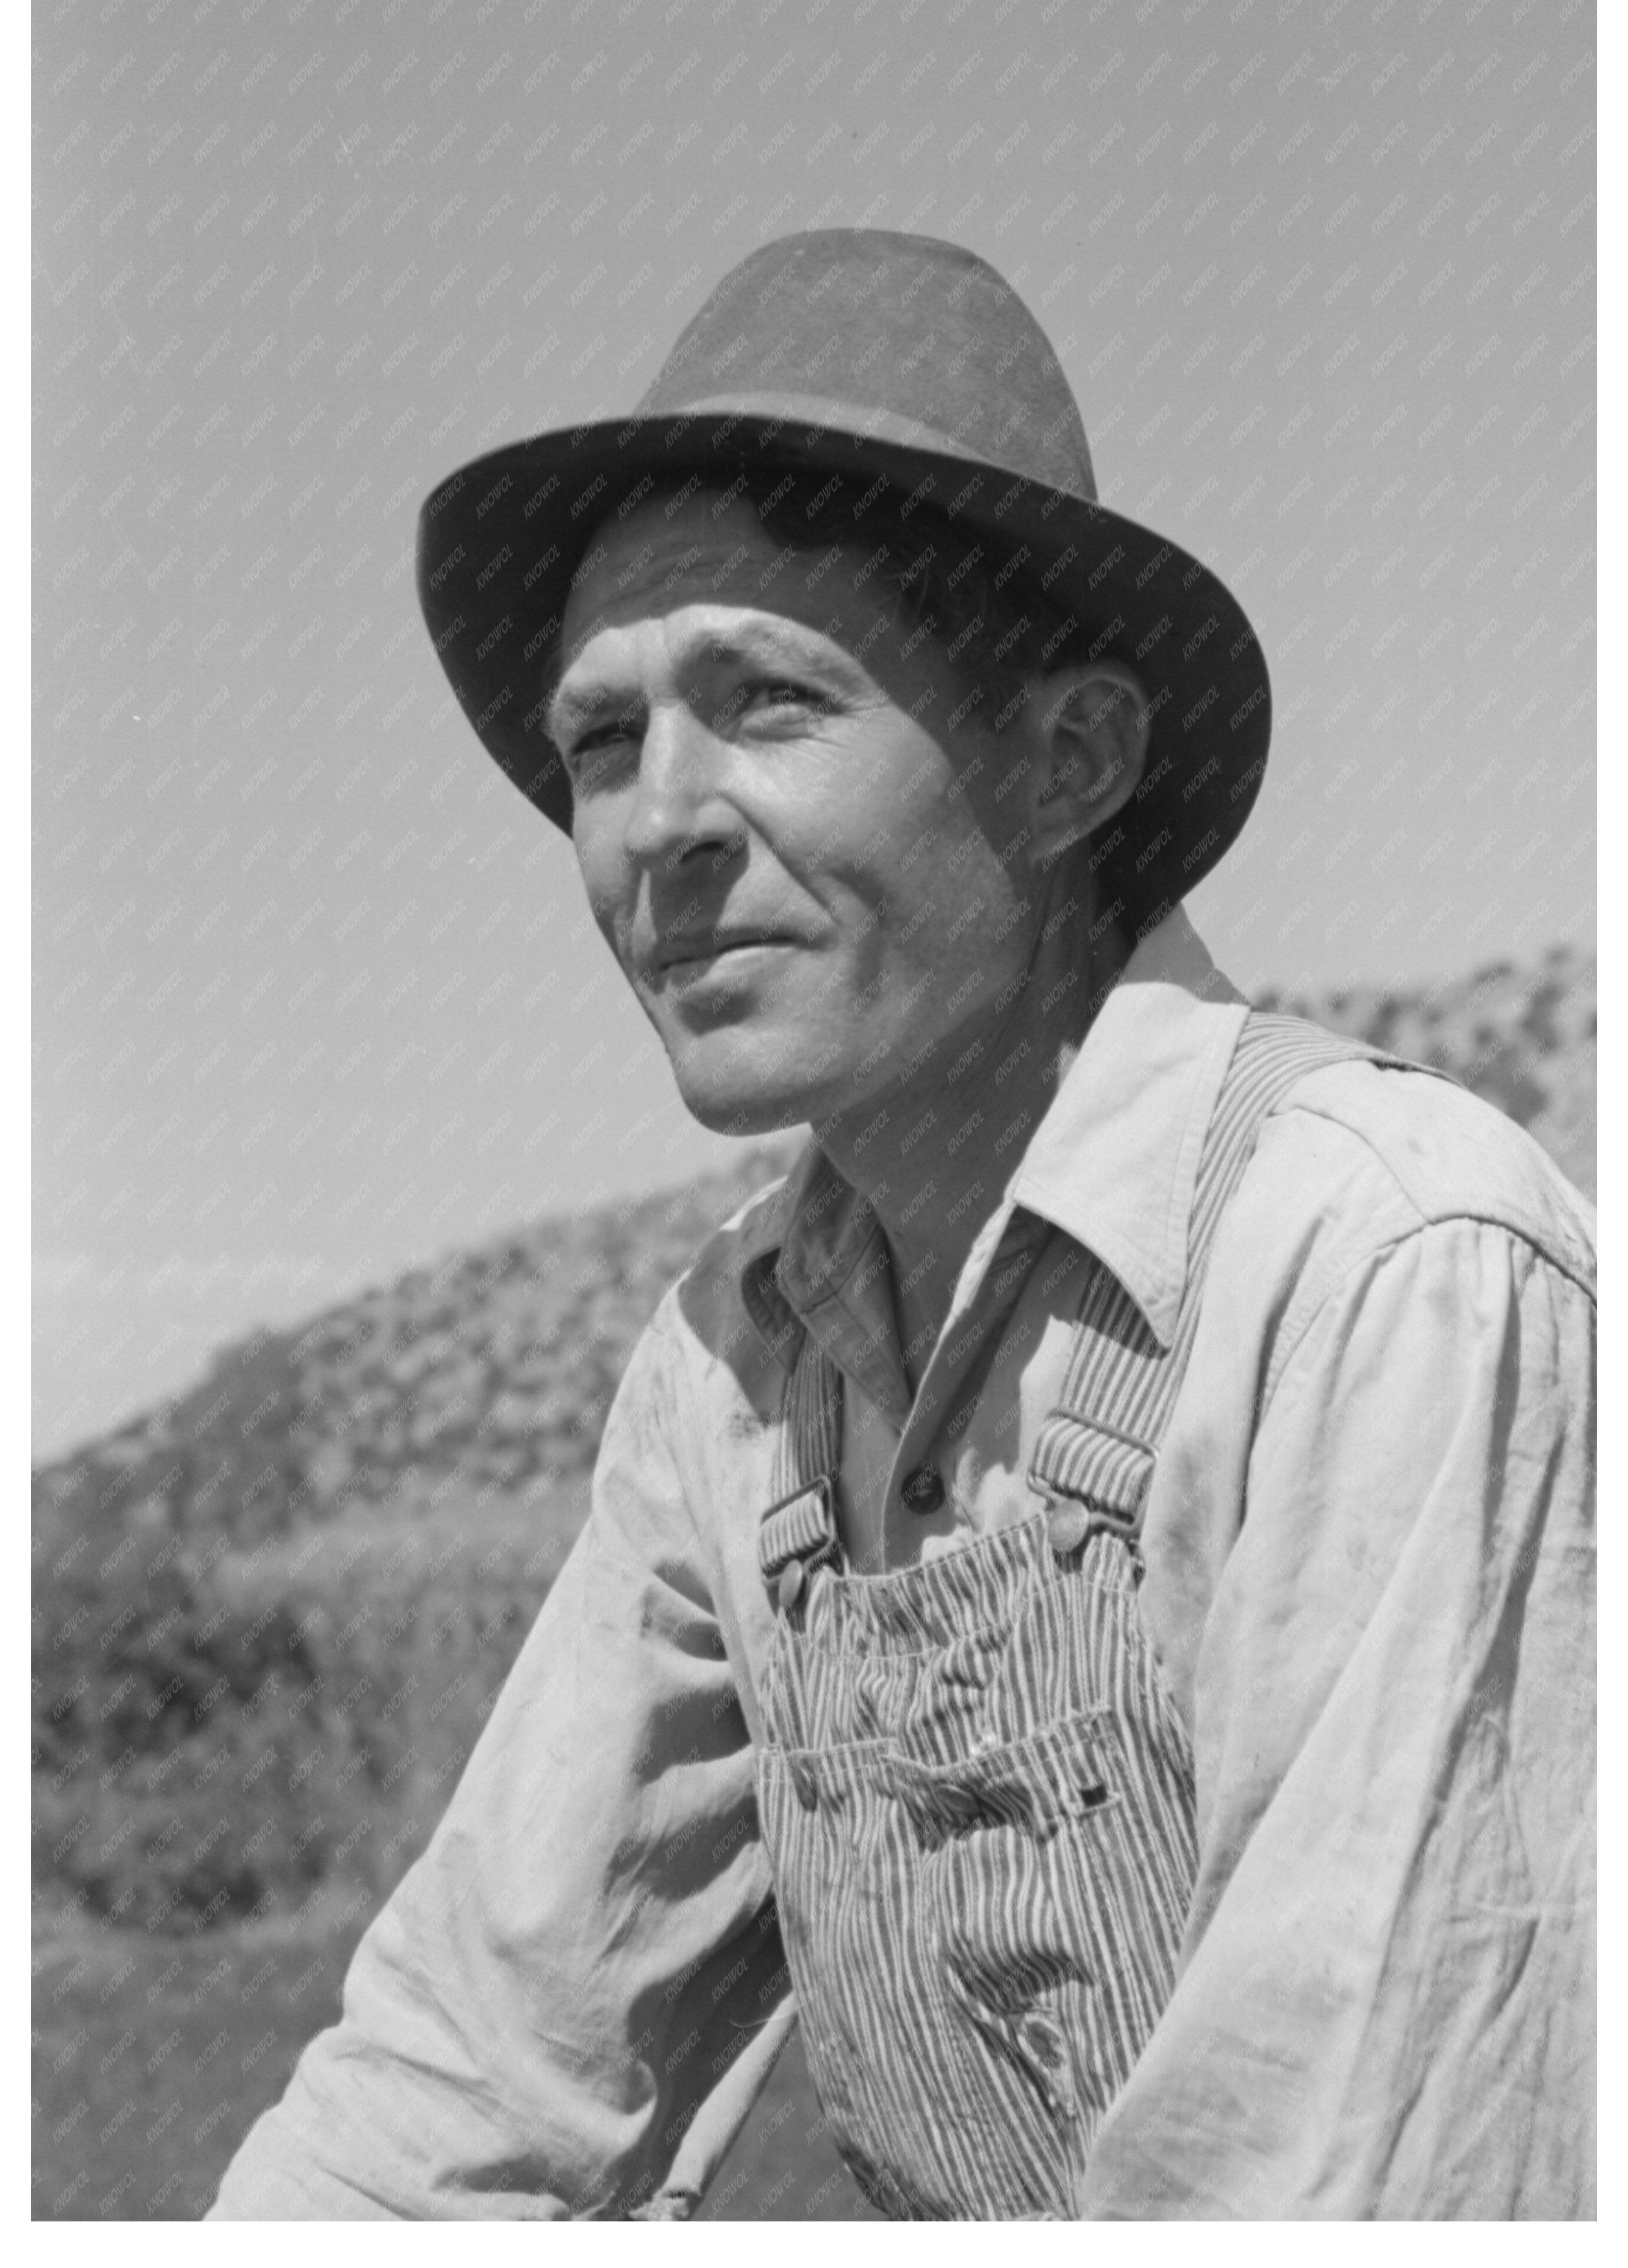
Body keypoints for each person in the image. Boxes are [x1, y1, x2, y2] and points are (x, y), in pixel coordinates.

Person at [210, 230, 1595, 2220]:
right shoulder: (730, 1368)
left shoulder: (1381, 1273)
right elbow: (470, 2077)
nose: (655, 825)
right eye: (604, 739)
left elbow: (1344, 2176)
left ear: (1065, 761)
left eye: (766, 701)